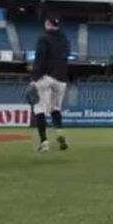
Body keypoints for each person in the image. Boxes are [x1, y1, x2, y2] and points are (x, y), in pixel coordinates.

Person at [31, 14, 71, 153]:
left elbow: (40, 58)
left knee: (39, 108)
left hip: (46, 77)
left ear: (48, 23)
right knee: (55, 109)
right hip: (61, 79)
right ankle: (60, 135)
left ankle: (44, 142)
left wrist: (35, 77)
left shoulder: (43, 37)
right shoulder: (65, 39)